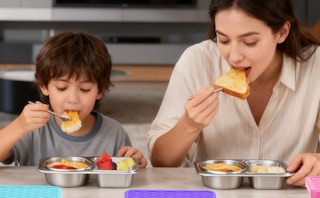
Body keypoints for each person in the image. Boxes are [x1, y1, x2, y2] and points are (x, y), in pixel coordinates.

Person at [147, 0, 320, 187]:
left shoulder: (315, 65)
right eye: (223, 40)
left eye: (249, 42)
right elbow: (161, 163)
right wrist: (189, 124)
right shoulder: (196, 61)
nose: (234, 56)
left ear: (282, 32)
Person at [0, 31, 147, 168]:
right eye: (62, 88)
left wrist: (134, 162)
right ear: (44, 85)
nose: (73, 99)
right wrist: (19, 126)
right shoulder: (33, 129)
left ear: (100, 90)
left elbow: (123, 173)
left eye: (85, 89)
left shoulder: (114, 133)